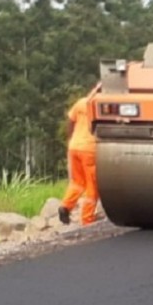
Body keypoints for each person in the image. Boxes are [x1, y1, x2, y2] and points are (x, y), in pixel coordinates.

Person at [57, 92, 100, 226]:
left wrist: (70, 140)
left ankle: (65, 206)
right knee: (92, 185)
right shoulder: (100, 105)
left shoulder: (81, 103)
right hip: (90, 150)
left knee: (77, 182)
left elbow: (70, 121)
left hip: (74, 147)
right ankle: (87, 219)